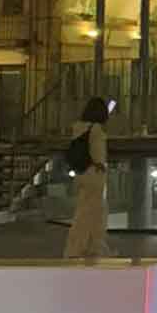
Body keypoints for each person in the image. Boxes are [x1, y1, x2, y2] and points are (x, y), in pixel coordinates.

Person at [64, 97, 114, 258]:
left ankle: (82, 247)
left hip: (81, 174)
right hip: (94, 175)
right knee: (94, 214)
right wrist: (101, 166)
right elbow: (98, 155)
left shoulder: (78, 129)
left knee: (83, 211)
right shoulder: (97, 130)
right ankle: (86, 248)